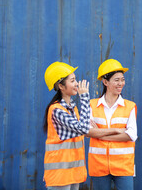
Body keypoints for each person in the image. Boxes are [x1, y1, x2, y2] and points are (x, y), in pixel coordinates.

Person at [86, 59, 137, 190]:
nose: (121, 83)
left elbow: (131, 135)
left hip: (123, 166)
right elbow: (87, 131)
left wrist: (100, 134)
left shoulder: (130, 106)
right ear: (105, 82)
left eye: (122, 79)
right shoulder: (92, 105)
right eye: (116, 80)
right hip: (99, 165)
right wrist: (117, 130)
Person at [43, 62, 91, 190]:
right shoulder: (56, 110)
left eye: (76, 80)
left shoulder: (72, 108)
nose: (77, 84)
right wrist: (85, 97)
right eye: (72, 80)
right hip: (60, 175)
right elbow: (84, 128)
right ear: (61, 86)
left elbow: (84, 127)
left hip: (73, 173)